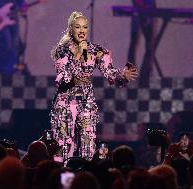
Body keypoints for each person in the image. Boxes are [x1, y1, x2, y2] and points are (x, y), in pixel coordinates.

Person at [50, 12, 138, 162]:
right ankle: (61, 177)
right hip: (65, 101)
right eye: (78, 27)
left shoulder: (96, 51)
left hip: (86, 101)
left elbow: (110, 73)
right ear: (71, 29)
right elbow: (62, 78)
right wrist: (80, 56)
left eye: (85, 27)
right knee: (64, 145)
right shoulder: (62, 50)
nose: (82, 30)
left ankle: (86, 176)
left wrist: (122, 76)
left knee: (88, 144)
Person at [127, 0, 157, 85]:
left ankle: (144, 75)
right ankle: (133, 75)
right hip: (140, 10)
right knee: (135, 43)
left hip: (147, 9)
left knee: (148, 45)